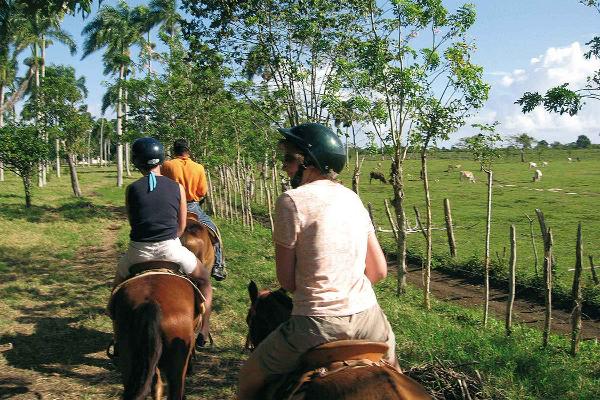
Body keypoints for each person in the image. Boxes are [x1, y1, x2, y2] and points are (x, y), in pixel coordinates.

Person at [237, 123, 398, 400]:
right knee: (396, 378)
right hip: (370, 320)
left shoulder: (291, 201)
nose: (285, 166)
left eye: (289, 158)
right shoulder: (353, 198)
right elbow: (379, 270)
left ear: (308, 163)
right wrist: (345, 286)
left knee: (249, 377)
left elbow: (287, 281)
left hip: (315, 325)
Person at [111, 137, 213, 346]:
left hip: (138, 251)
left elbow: (134, 223)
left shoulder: (132, 189)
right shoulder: (177, 188)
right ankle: (203, 330)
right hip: (171, 249)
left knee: (115, 293)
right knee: (204, 280)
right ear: (160, 161)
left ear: (136, 162)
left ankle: (117, 336)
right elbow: (181, 226)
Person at [162, 139, 227, 281]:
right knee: (215, 232)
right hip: (192, 206)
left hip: (172, 206)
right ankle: (218, 265)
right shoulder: (198, 167)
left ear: (174, 151)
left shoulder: (167, 165)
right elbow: (202, 191)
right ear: (188, 150)